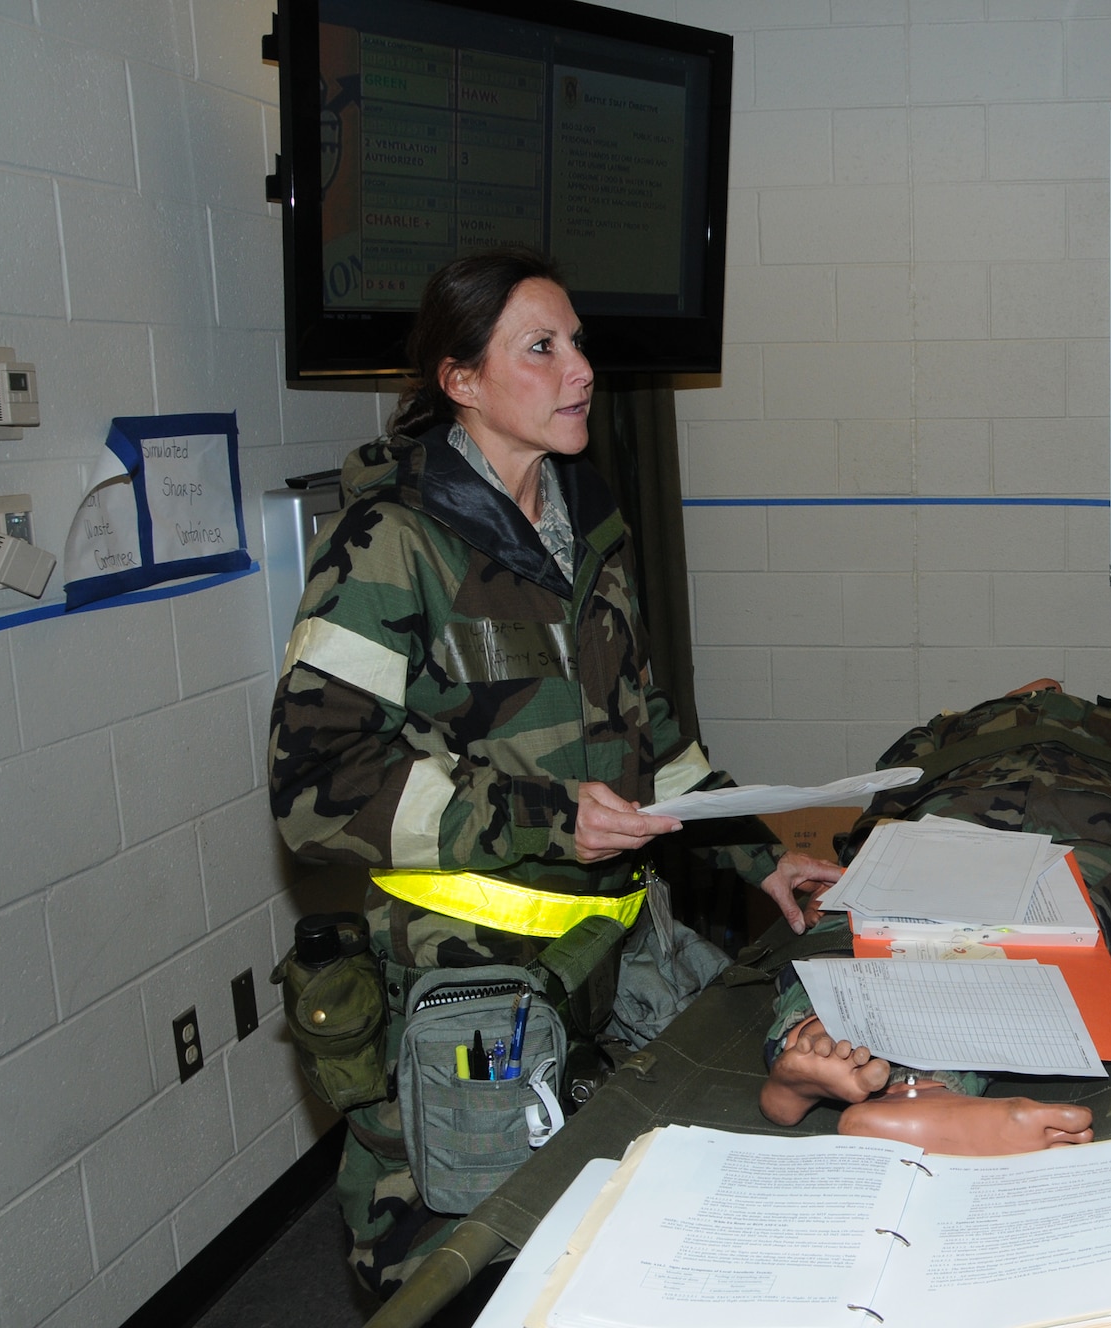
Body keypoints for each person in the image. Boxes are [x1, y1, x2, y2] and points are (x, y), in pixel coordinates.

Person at [268, 248, 839, 1295]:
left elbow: (649, 732)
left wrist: (761, 853)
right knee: (474, 1266)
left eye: (577, 341)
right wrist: (542, 815)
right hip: (475, 989)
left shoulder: (589, 525)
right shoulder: (392, 544)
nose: (579, 367)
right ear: (461, 378)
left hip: (612, 961)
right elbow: (317, 787)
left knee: (647, 1249)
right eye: (541, 346)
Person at [757, 681, 1111, 1152]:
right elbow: (891, 785)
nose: (1048, 686)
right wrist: (858, 857)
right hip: (957, 811)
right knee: (874, 910)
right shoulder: (954, 724)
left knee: (1042, 938)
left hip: (1088, 824)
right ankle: (812, 1038)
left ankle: (913, 1084)